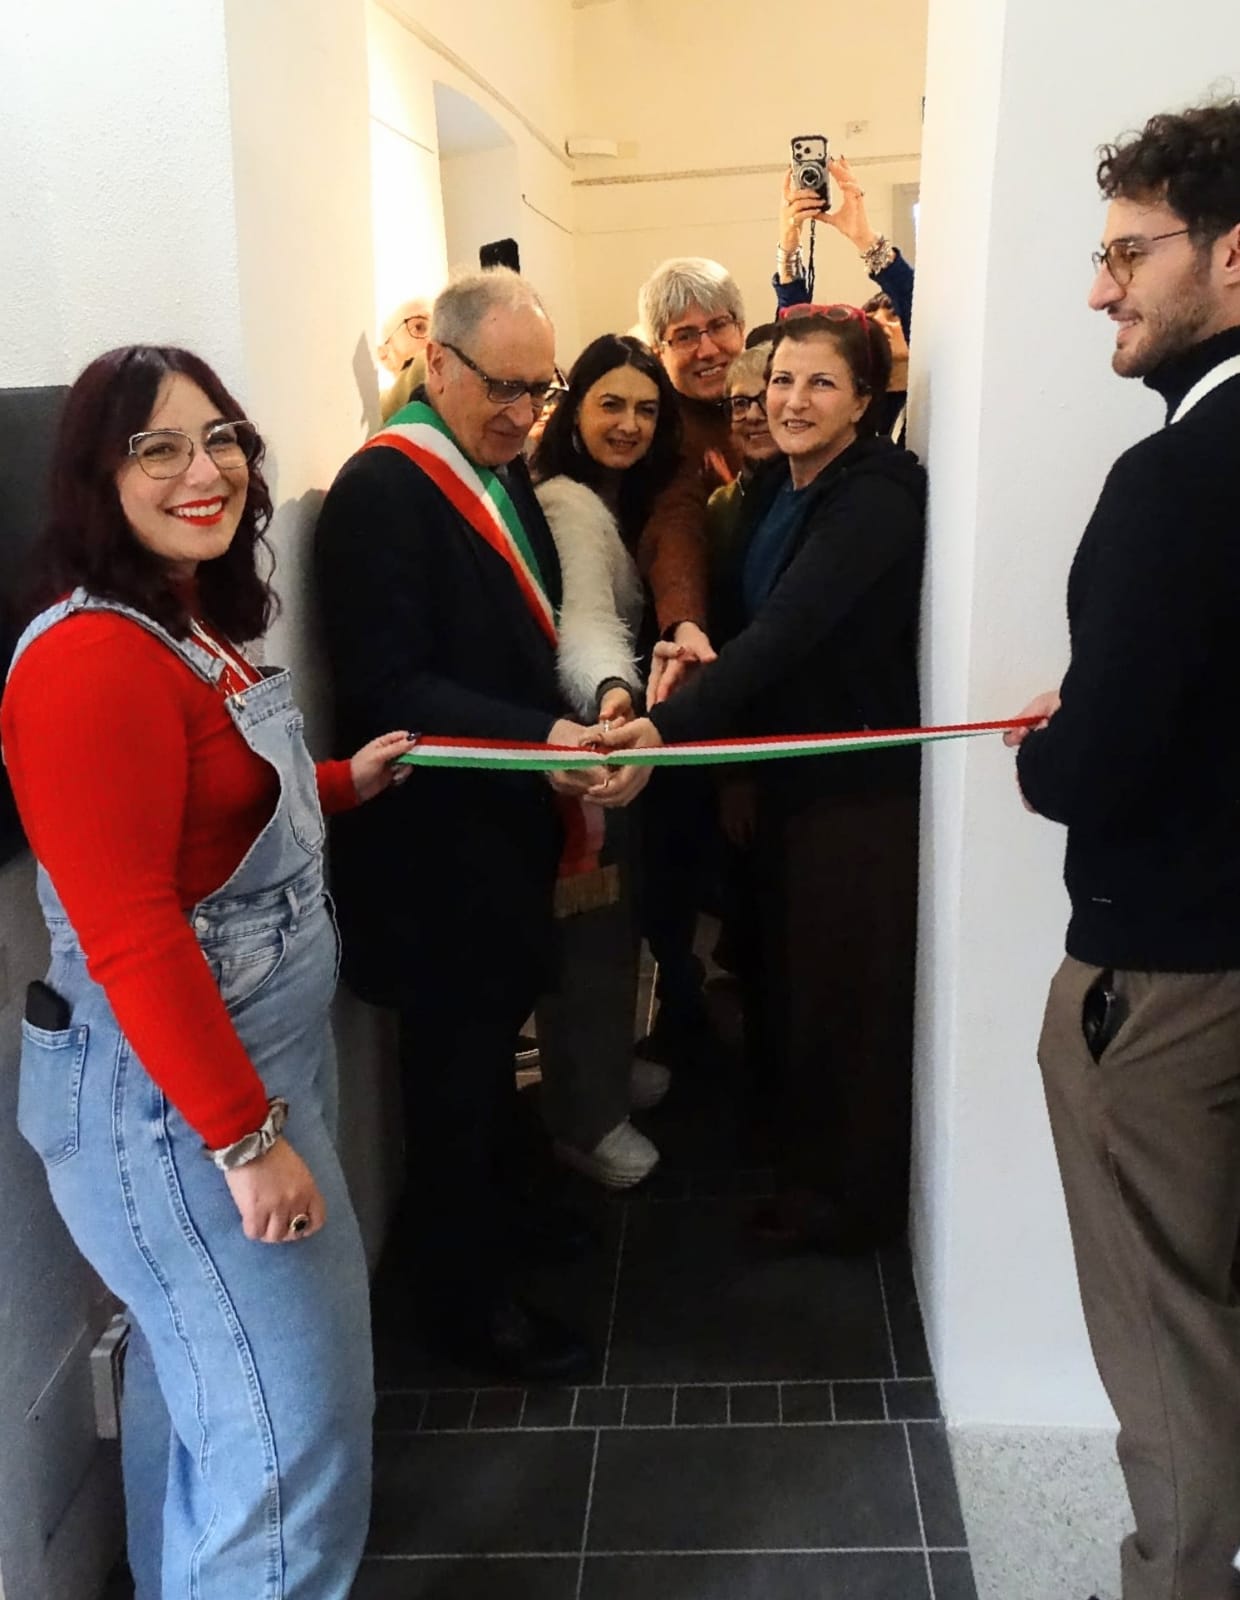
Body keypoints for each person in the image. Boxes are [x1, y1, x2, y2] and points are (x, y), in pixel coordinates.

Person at [1, 344, 413, 1600]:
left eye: (221, 437)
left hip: (243, 1071)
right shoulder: (87, 659)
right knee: (290, 1444)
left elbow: (209, 811)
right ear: (95, 477)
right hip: (176, 1109)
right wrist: (244, 1138)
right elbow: (131, 928)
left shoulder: (181, 622)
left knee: (211, 1399)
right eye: (159, 448)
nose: (206, 469)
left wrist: (341, 782)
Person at [314, 268, 644, 1381]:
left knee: (492, 1054)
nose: (523, 413)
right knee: (452, 1086)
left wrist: (587, 711)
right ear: (437, 364)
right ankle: (466, 1308)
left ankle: (503, 1223)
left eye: (539, 389)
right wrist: (544, 735)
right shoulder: (383, 489)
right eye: (503, 387)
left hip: (496, 832)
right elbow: (389, 686)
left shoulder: (494, 472)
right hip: (433, 856)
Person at [1005, 98, 1240, 1600]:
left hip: (1169, 983)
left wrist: (1056, 741)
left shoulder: (1176, 476)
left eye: (1129, 252)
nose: (1101, 288)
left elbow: (1095, 765)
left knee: (1168, 1329)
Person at [601, 309, 925, 1254]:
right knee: (793, 983)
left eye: (821, 383)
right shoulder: (784, 484)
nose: (792, 401)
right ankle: (803, 1166)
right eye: (783, 380)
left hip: (854, 789)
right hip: (793, 780)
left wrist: (664, 729)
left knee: (843, 1001)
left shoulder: (874, 498)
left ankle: (845, 1204)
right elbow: (743, 627)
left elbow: (785, 637)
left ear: (864, 400)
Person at [529, 334, 680, 1188]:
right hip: (589, 746)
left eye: (646, 409)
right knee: (588, 937)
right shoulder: (571, 504)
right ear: (574, 409)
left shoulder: (620, 496)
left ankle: (608, 1074)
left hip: (608, 738)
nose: (629, 424)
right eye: (610, 405)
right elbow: (586, 620)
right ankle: (585, 1120)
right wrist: (617, 694)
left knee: (616, 927)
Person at [632, 256, 749, 1066]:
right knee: (681, 868)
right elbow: (673, 526)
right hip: (691, 678)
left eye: (717, 327)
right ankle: (686, 1018)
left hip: (756, 672)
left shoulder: (769, 393)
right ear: (660, 349)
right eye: (684, 336)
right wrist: (685, 623)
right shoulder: (669, 432)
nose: (706, 348)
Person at [777, 156, 913, 440]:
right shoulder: (848, 408)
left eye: (893, 314)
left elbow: (913, 300)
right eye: (872, 317)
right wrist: (789, 245)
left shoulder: (938, 400)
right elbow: (797, 339)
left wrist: (863, 237)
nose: (881, 322)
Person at [376, 295, 432, 424]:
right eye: (419, 327)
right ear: (385, 355)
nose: (433, 338)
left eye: (438, 328)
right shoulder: (375, 408)